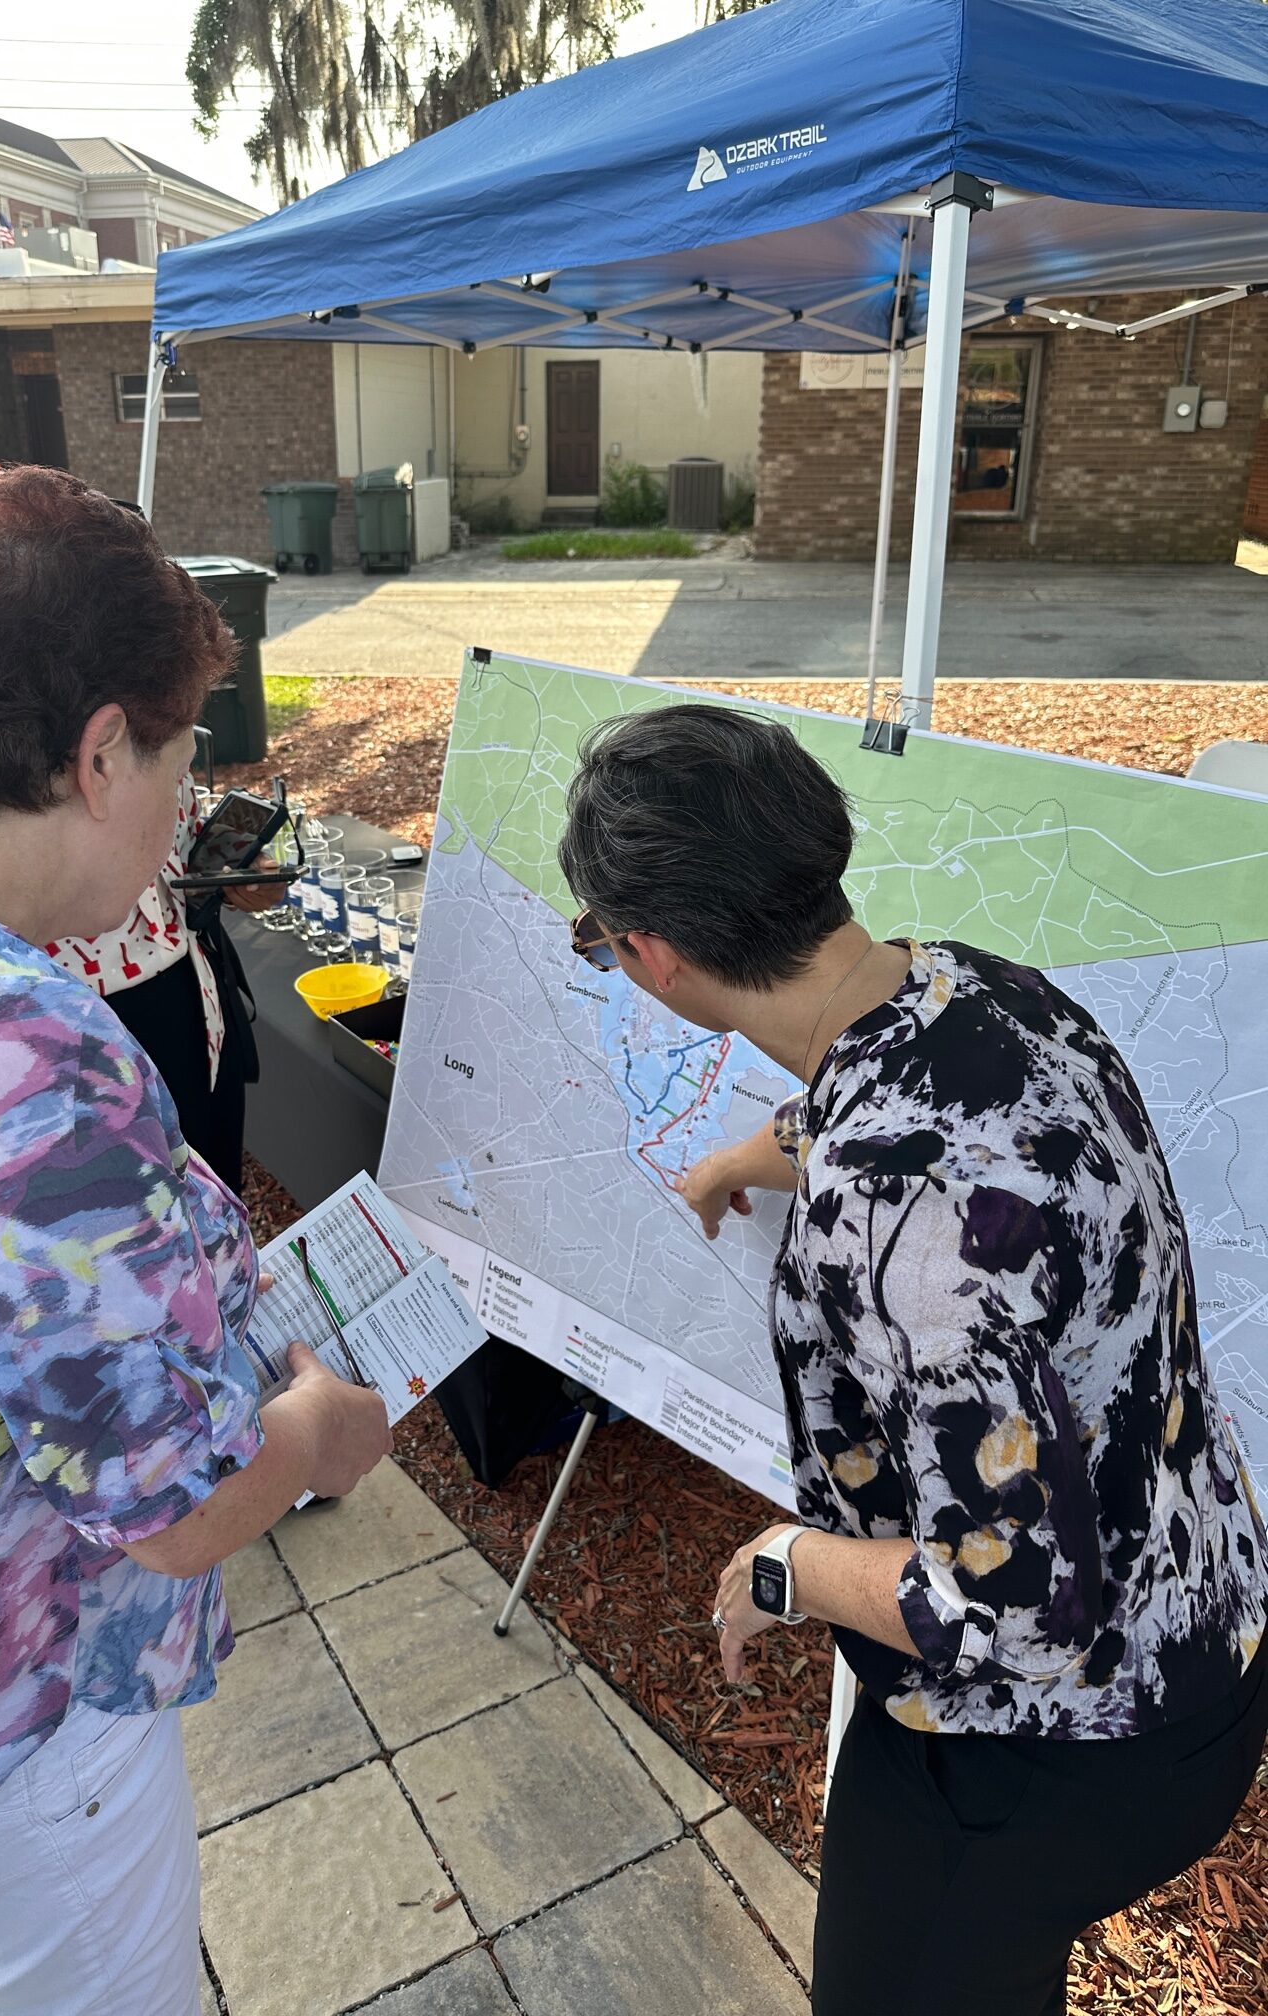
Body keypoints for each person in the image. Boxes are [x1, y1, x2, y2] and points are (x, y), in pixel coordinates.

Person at [0, 467, 391, 2016]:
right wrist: (309, 1437)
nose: (182, 809)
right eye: (180, 763)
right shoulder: (1, 1042)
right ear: (102, 750)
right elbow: (165, 1509)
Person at [557, 703, 1267, 2016]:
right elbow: (910, 1097)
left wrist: (786, 1568)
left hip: (1051, 1752)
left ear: (652, 958)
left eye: (600, 940)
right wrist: (755, 1153)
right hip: (1201, 1621)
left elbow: (1010, 1609)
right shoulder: (974, 981)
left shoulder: (912, 1239)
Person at [45, 768, 272, 1194]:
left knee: (217, 1187)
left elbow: (179, 829)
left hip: (200, 982)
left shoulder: (153, 708)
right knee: (133, 1208)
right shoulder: (4, 723)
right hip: (85, 1007)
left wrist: (228, 866)